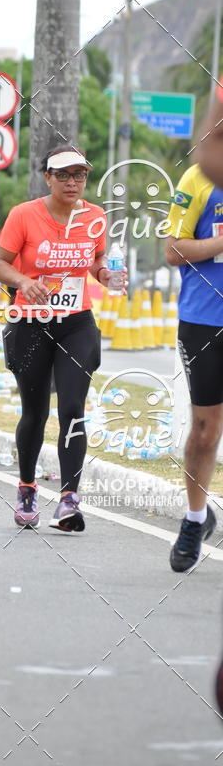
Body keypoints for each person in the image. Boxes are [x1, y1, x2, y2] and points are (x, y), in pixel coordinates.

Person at [0, 145, 119, 532]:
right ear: (47, 177)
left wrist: (105, 275)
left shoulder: (95, 216)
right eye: (63, 174)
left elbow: (96, 262)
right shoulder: (24, 215)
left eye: (79, 174)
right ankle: (27, 487)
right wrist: (24, 281)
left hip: (76, 322)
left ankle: (68, 499)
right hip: (30, 323)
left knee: (73, 407)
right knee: (35, 411)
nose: (72, 182)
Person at [165, 162, 223, 572]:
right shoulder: (200, 177)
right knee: (206, 430)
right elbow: (173, 250)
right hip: (205, 320)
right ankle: (196, 518)